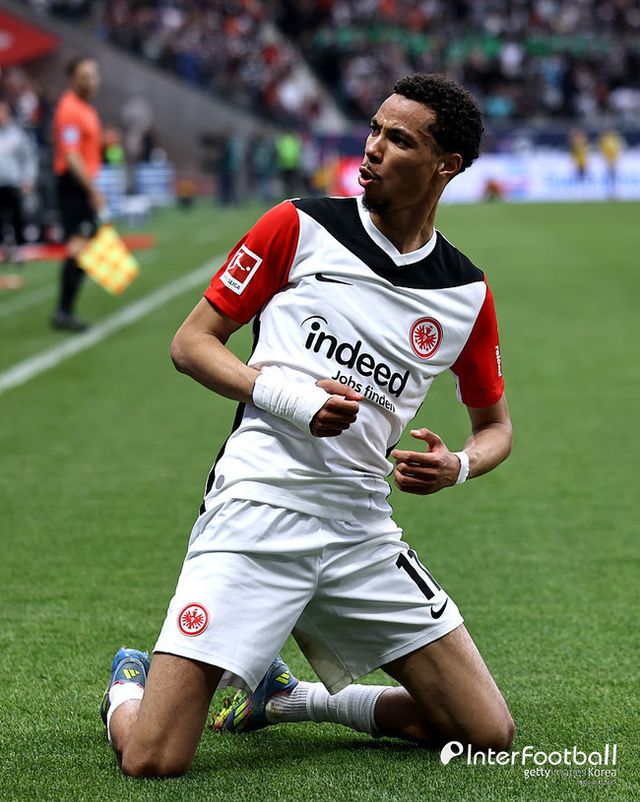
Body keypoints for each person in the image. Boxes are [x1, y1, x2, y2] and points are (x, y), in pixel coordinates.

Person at [100, 73, 515, 778]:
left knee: (484, 733)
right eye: (375, 129)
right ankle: (126, 689)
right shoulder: (298, 226)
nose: (373, 148)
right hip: (258, 504)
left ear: (446, 166)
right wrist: (291, 399)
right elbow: (191, 344)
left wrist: (460, 465)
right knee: (153, 758)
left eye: (399, 139)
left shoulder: (465, 293)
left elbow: (496, 427)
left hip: (361, 527)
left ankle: (291, 701)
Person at [51, 56, 103, 332]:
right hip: (74, 184)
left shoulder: (86, 109)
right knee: (79, 245)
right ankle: (64, 311)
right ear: (74, 78)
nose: (91, 80)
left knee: (86, 243)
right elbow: (71, 156)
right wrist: (92, 189)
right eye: (85, 75)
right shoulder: (70, 109)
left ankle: (65, 310)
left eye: (94, 75)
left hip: (81, 183)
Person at [0, 98, 37, 263]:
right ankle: (4, 250)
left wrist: (28, 178)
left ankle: (18, 250)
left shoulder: (17, 135)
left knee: (16, 218)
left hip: (13, 183)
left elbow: (28, 158)